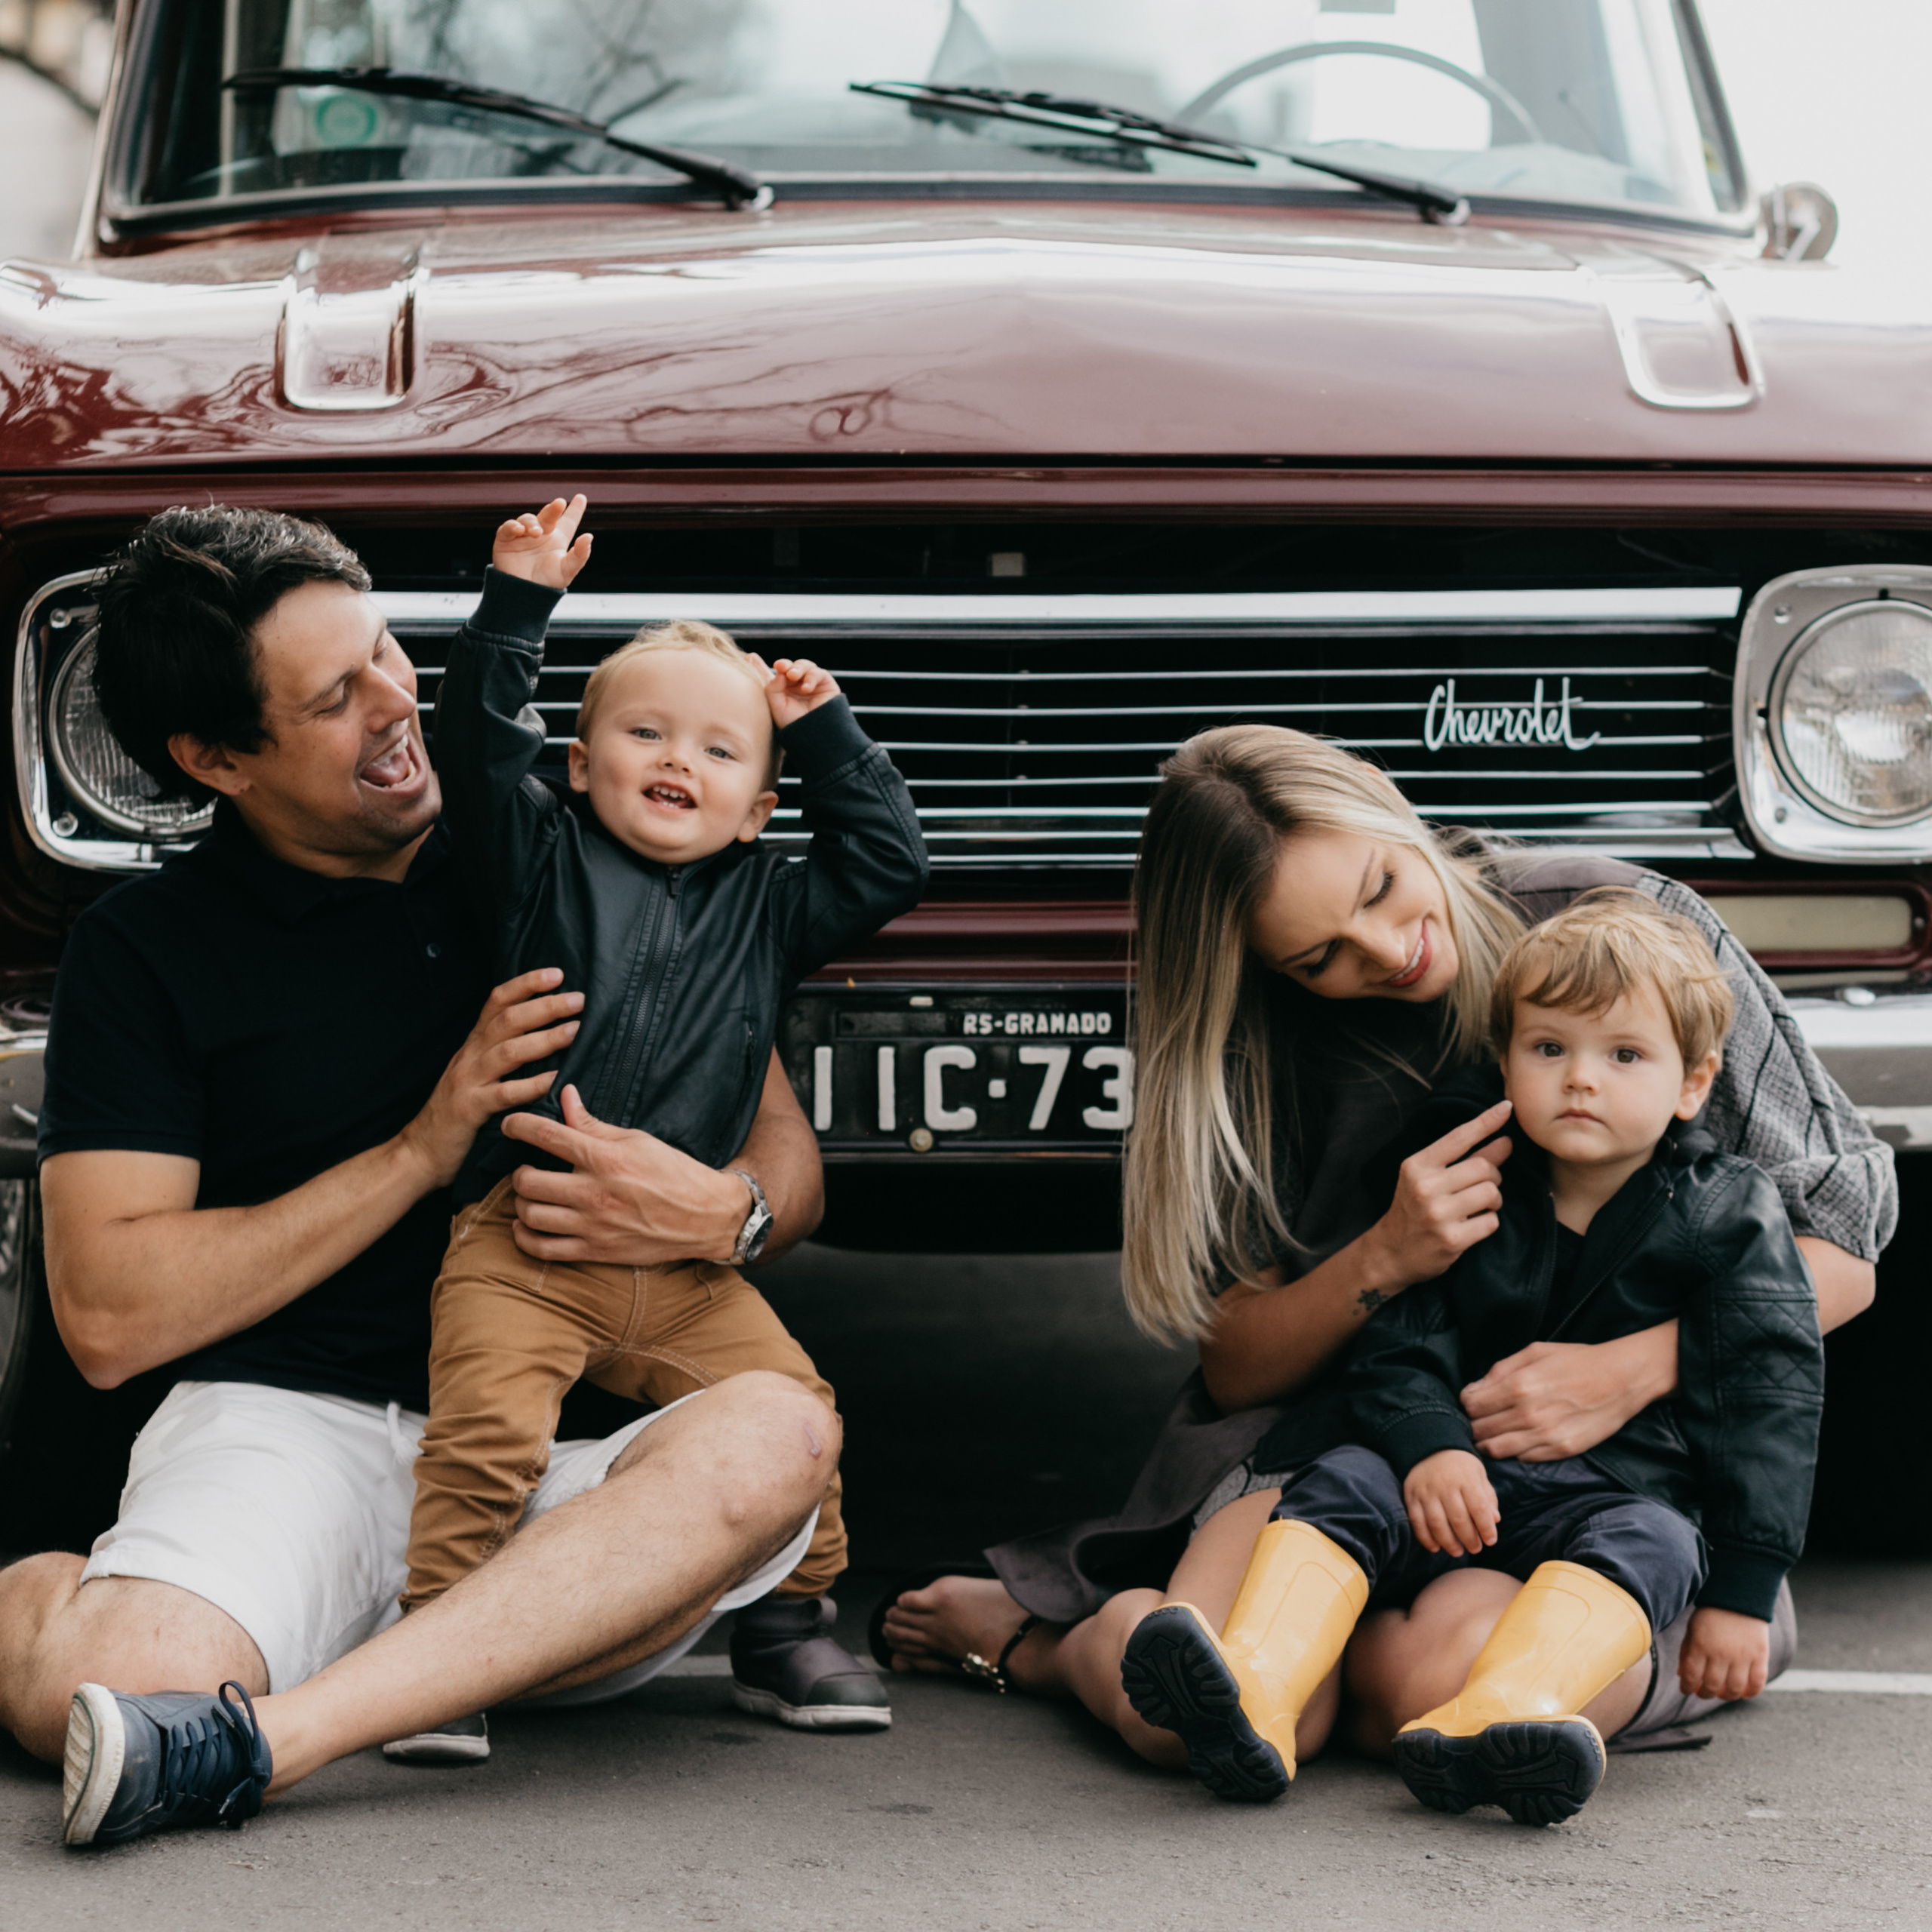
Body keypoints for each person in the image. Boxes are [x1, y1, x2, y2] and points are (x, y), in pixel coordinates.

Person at [2, 503, 838, 1850]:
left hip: (561, 1468)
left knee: (779, 1433)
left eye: (390, 650)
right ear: (218, 759)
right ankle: (123, 1618)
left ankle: (268, 1737)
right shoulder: (146, 950)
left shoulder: (572, 835)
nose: (401, 703)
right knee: (127, 1671)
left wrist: (726, 1212)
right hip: (295, 1432)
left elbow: (779, 1147)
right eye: (339, 697)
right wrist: (422, 1148)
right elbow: (108, 1317)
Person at [879, 724, 1890, 1777]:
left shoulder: (1623, 929)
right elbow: (1238, 1364)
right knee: (1198, 1713)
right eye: (1320, 958)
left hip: (1618, 1469)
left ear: (1381, 793)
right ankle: (1044, 1645)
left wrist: (1622, 1373)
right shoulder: (1259, 1036)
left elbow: (1845, 1251)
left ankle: (1330, 1659)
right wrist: (1386, 1256)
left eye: (1379, 886)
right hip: (1342, 1432)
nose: (1385, 951)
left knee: (1449, 1693)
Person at [399, 497, 927, 1737]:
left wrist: (828, 729)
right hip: (523, 1242)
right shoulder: (536, 866)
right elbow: (476, 748)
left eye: (722, 750)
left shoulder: (771, 907)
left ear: (758, 808)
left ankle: (792, 1625)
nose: (678, 761)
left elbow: (893, 862)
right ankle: (438, 1641)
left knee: (803, 1416)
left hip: (685, 1268)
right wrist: (517, 603)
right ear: (580, 770)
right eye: (644, 733)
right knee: (485, 1437)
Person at [1121, 891, 1821, 1823]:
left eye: (1624, 1055)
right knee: (1343, 1477)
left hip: (1618, 1488)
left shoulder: (1730, 1212)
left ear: (1692, 1084)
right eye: (1549, 1049)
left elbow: (1769, 1394)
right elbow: (1401, 1337)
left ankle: (1507, 1714)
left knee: (1659, 1542)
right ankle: (1255, 1690)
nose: (1581, 1080)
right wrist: (1431, 1445)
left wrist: (1743, 1587)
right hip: (1455, 1478)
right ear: (1504, 1062)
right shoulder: (1472, 1178)